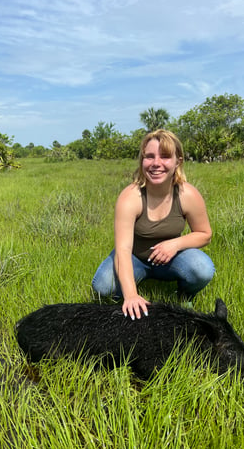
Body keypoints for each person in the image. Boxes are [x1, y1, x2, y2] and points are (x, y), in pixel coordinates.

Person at [92, 129, 214, 320]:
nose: (156, 163)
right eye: (149, 157)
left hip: (171, 259)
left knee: (202, 268)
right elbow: (123, 250)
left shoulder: (187, 195)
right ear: (142, 161)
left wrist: (175, 244)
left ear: (178, 161)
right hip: (135, 258)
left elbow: (205, 234)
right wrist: (131, 294)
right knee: (103, 287)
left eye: (165, 157)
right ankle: (131, 288)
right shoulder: (130, 197)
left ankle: (184, 295)